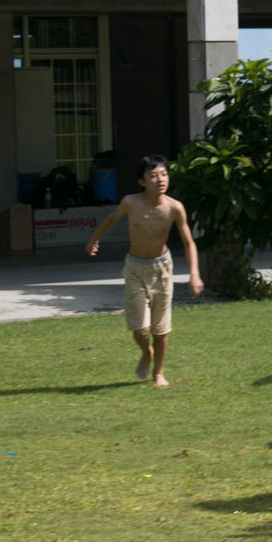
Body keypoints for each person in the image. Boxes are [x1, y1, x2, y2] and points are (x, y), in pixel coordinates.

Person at [85, 155, 203, 387]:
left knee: (160, 330)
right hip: (135, 268)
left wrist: (195, 274)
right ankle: (146, 352)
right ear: (142, 181)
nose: (160, 180)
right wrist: (93, 240)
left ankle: (158, 372)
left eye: (164, 174)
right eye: (153, 176)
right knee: (141, 329)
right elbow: (112, 219)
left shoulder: (175, 208)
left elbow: (189, 242)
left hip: (162, 269)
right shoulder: (131, 202)